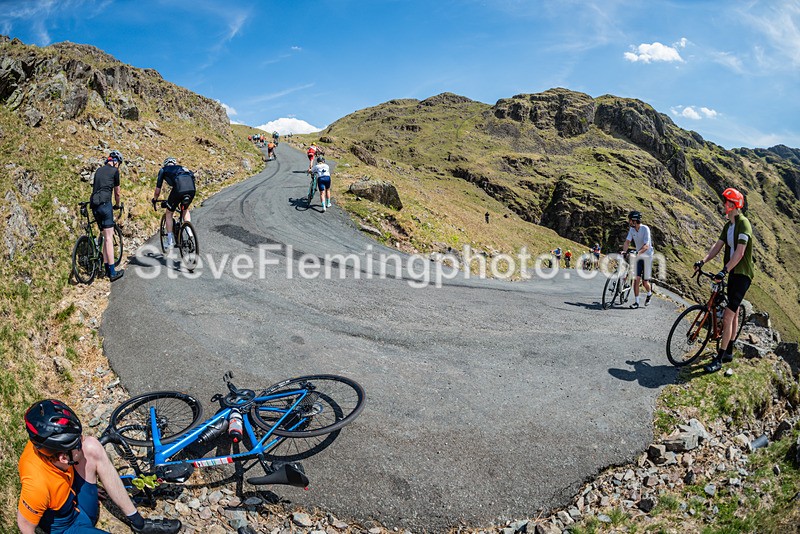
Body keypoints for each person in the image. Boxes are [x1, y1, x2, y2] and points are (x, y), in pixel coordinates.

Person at [18, 399, 181, 534]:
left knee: (92, 446)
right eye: (76, 443)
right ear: (62, 457)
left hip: (74, 497)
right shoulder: (36, 486)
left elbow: (84, 449)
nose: (82, 441)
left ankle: (139, 523)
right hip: (67, 526)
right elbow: (25, 527)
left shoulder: (46, 446)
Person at [694, 187, 755, 373]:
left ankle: (719, 359)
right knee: (734, 314)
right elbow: (718, 246)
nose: (723, 204)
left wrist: (724, 270)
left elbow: (740, 252)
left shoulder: (744, 224)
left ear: (734, 205)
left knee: (728, 316)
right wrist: (702, 261)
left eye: (726, 202)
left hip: (742, 275)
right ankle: (728, 351)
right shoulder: (727, 225)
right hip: (731, 272)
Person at [90, 150, 124, 282]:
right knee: (109, 238)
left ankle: (105, 268)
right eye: (119, 163)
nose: (118, 166)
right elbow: (117, 192)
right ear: (115, 162)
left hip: (94, 204)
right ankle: (113, 273)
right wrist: (117, 204)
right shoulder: (115, 172)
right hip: (105, 203)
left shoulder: (98, 170)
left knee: (104, 236)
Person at [152, 157, 196, 249]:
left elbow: (157, 190)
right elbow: (192, 177)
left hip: (179, 187)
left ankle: (170, 241)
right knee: (185, 210)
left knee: (169, 213)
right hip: (191, 188)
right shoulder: (183, 168)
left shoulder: (163, 170)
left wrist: (155, 199)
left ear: (166, 164)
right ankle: (189, 231)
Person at [620, 210, 654, 309]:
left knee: (644, 283)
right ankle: (637, 302)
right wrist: (624, 251)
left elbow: (647, 245)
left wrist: (637, 253)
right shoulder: (632, 230)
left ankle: (649, 293)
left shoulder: (645, 229)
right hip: (639, 256)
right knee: (636, 279)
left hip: (647, 256)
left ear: (635, 220)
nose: (629, 222)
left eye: (630, 220)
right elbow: (627, 242)